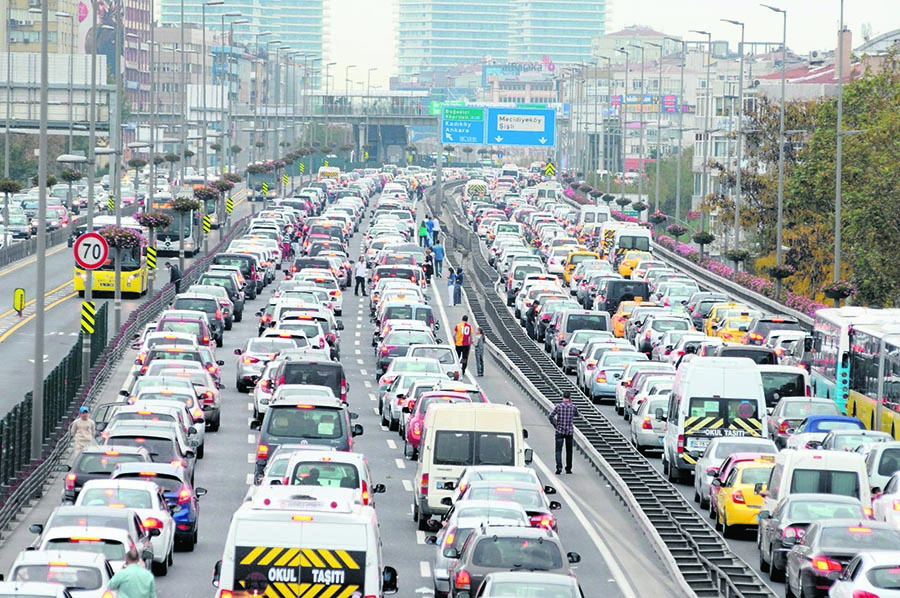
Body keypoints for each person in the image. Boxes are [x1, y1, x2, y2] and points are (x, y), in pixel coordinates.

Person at [548, 391, 578, 474]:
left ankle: (559, 467)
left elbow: (550, 416)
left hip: (559, 430)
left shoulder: (558, 406)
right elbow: (577, 414)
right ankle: (568, 468)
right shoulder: (573, 407)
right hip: (569, 432)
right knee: (569, 451)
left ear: (562, 397)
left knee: (558, 450)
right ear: (570, 397)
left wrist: (555, 424)